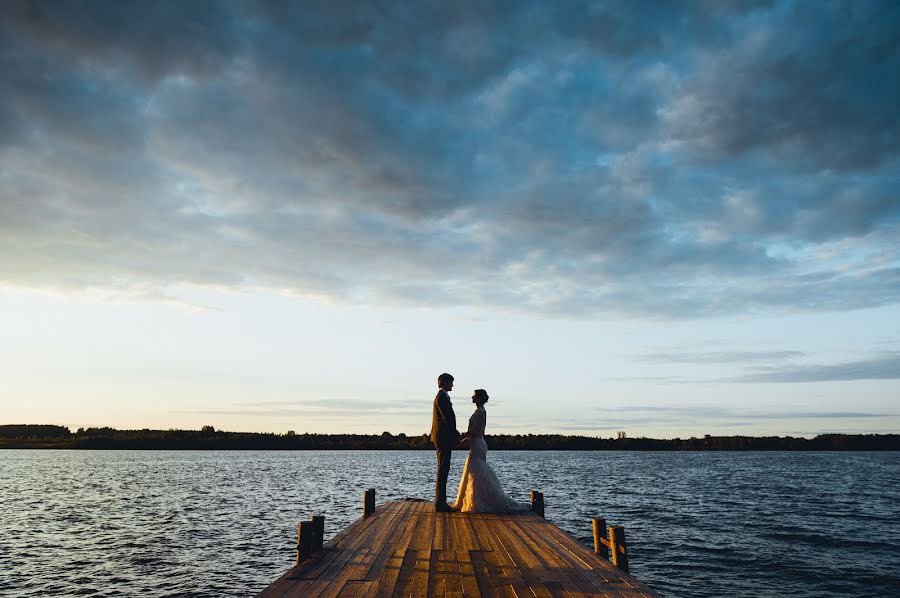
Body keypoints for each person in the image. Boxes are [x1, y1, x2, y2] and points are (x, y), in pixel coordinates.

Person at [451, 389, 530, 513]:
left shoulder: (481, 412)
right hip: (475, 443)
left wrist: (462, 436)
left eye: (474, 395)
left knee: (476, 471)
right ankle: (476, 500)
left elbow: (476, 431)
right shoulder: (478, 411)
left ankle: (480, 502)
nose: (472, 397)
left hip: (478, 443)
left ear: (478, 398)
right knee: (474, 472)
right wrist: (464, 440)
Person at [431, 372, 461, 512]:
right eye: (451, 382)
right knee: (443, 469)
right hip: (443, 438)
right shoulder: (441, 398)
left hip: (442, 438)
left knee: (444, 468)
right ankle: (440, 503)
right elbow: (447, 418)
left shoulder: (442, 397)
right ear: (444, 383)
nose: (452, 385)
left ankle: (441, 502)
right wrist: (455, 434)